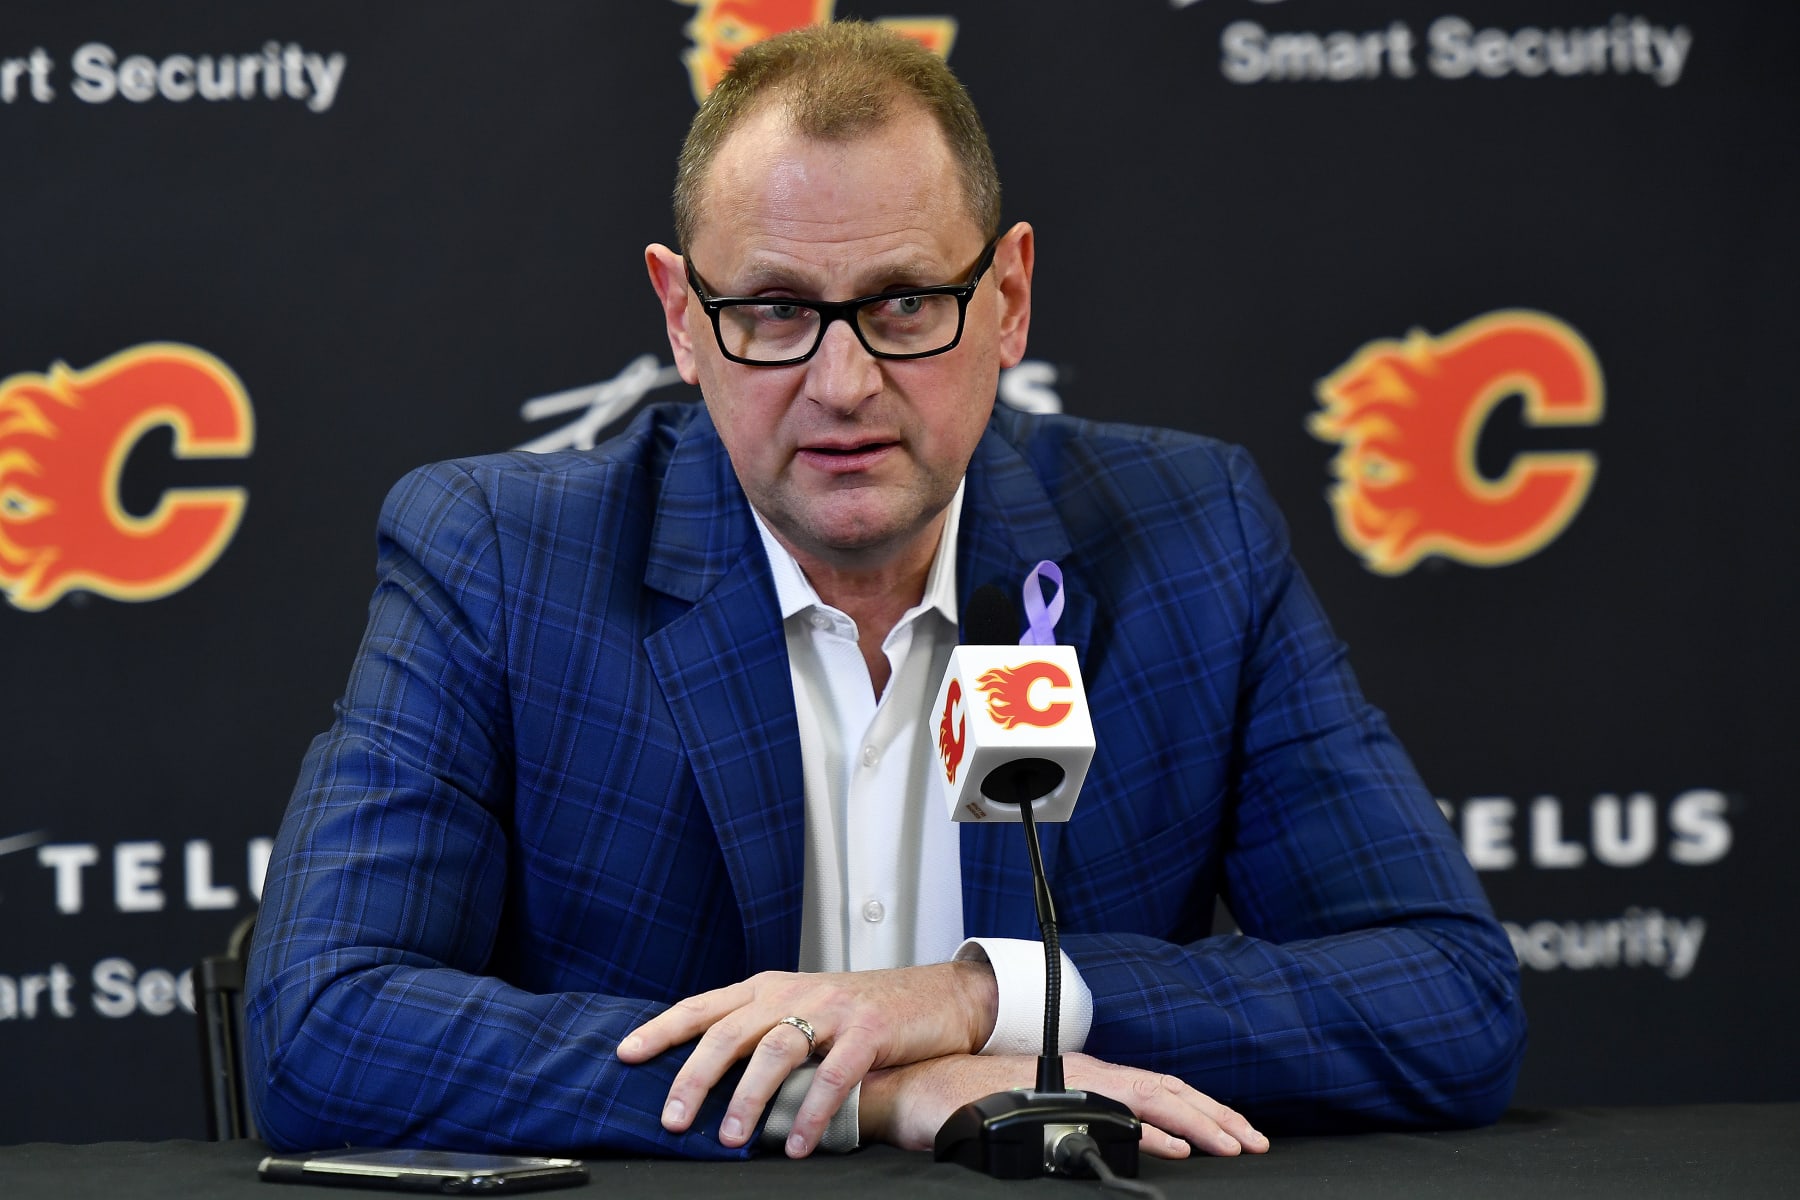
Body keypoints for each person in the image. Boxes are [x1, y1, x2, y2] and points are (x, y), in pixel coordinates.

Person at [244, 22, 1525, 1163]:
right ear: (682, 319)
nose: (843, 384)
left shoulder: (1192, 537)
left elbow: (1449, 998)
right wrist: (873, 1091)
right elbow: (321, 1028)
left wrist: (981, 1001)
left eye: (907, 303)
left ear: (1008, 298)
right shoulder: (502, 558)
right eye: (773, 311)